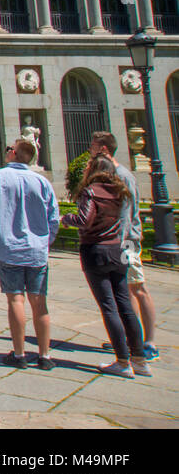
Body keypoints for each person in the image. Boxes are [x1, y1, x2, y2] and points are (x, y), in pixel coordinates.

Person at [63, 155, 150, 378]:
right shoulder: (120, 191)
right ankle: (139, 359)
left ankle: (122, 361)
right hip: (118, 251)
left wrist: (66, 218)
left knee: (108, 307)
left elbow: (84, 219)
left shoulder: (91, 191)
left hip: (97, 252)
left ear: (94, 169)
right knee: (125, 305)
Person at [0, 140, 60, 370]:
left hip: (9, 249)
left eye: (8, 148)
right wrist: (44, 241)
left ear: (14, 153)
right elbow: (54, 218)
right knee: (39, 302)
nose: (6, 151)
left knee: (15, 299)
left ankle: (19, 353)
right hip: (37, 251)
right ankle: (45, 356)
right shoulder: (42, 181)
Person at [89, 131, 159, 361]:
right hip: (120, 242)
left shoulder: (122, 175)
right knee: (126, 291)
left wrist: (118, 243)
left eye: (93, 147)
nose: (90, 150)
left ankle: (149, 343)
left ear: (103, 150)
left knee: (138, 288)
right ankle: (131, 339)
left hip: (126, 242)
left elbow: (126, 215)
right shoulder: (114, 174)